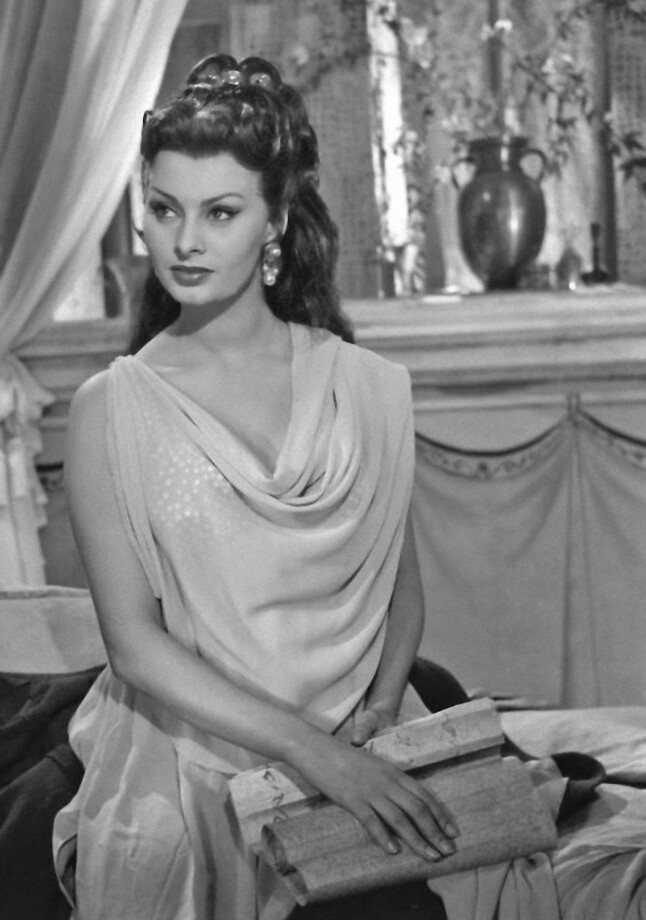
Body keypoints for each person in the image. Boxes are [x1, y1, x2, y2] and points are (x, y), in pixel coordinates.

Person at [53, 53, 458, 920]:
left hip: (357, 731)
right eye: (164, 209)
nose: (186, 241)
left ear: (274, 221)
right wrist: (318, 756)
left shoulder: (364, 386)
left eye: (220, 212)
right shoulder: (109, 409)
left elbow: (403, 593)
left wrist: (381, 710)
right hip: (188, 757)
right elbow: (134, 647)